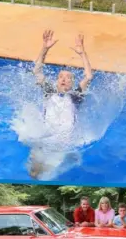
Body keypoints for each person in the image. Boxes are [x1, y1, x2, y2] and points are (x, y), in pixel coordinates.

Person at [29, 29, 93, 179]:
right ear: (57, 80)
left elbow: (88, 76)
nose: (64, 79)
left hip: (65, 143)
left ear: (72, 83)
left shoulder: (76, 96)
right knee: (34, 173)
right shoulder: (49, 91)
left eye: (68, 78)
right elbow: (37, 70)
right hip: (45, 139)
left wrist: (82, 53)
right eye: (61, 77)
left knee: (58, 169)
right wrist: (45, 48)